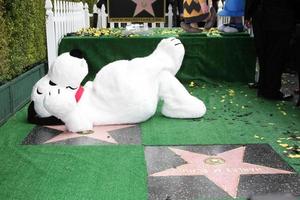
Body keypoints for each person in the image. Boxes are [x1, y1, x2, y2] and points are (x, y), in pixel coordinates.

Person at [245, 0, 296, 100]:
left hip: (260, 15)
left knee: (263, 54)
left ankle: (263, 87)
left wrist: (248, 14)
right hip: (280, 17)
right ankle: (271, 90)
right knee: (276, 56)